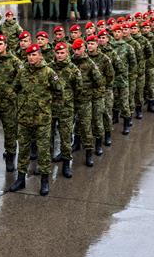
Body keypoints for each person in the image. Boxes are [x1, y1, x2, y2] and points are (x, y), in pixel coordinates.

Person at [9, 43, 63, 196]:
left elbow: (59, 91)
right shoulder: (22, 72)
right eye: (29, 55)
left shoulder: (48, 72)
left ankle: (44, 181)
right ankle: (20, 179)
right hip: (24, 117)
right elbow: (15, 89)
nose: (31, 57)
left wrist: (49, 108)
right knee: (24, 149)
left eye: (34, 54)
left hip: (42, 119)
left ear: (40, 55)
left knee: (43, 150)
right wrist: (19, 105)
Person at [0, 35, 23, 172]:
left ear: (6, 45)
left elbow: (22, 79)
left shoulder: (14, 62)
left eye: (0, 44)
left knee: (10, 131)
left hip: (8, 105)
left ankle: (10, 157)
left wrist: (13, 93)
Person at [49, 42, 83, 177]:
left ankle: (66, 164)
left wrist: (71, 104)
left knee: (66, 137)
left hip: (66, 109)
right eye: (57, 53)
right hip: (51, 108)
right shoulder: (50, 68)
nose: (59, 55)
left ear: (67, 53)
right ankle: (46, 163)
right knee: (48, 137)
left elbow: (78, 90)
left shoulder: (73, 70)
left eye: (62, 53)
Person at [71, 38, 102, 166]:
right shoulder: (70, 62)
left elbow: (99, 82)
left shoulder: (90, 64)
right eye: (75, 49)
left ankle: (89, 152)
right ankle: (75, 144)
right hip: (71, 100)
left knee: (85, 126)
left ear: (84, 48)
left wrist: (90, 94)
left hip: (85, 100)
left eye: (79, 49)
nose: (77, 51)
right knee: (70, 126)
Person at [86, 34, 114, 155]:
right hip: (86, 93)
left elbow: (110, 75)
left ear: (97, 44)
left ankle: (102, 140)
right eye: (88, 43)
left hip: (100, 93)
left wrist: (103, 87)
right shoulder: (84, 57)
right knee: (85, 120)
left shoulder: (104, 59)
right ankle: (80, 142)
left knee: (100, 117)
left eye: (92, 43)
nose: (90, 46)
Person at [112, 24, 137, 135]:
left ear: (122, 33)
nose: (117, 34)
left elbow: (133, 64)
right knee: (114, 101)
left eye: (119, 32)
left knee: (124, 102)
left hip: (123, 79)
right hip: (112, 79)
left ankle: (126, 123)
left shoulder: (128, 47)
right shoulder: (110, 46)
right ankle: (115, 118)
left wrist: (129, 76)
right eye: (115, 32)